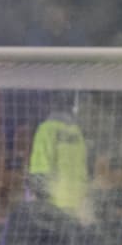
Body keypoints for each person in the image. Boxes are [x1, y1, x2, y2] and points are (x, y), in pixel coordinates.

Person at [28, 92, 90, 220]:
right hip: (77, 204)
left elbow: (40, 169)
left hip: (54, 205)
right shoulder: (76, 132)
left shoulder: (46, 129)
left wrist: (40, 207)